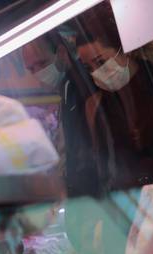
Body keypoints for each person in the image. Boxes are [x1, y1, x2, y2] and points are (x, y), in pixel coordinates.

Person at [75, 7, 153, 191]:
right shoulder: (97, 105)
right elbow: (103, 164)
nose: (96, 72)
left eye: (100, 62)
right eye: (89, 67)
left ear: (123, 49)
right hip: (123, 198)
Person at [22, 35, 97, 196]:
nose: (38, 73)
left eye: (42, 63)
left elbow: (86, 153)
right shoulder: (66, 90)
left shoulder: (81, 87)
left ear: (62, 53)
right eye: (31, 69)